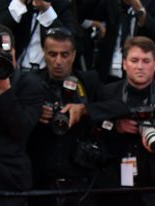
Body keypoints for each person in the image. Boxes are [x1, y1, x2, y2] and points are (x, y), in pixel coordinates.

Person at [86, 36, 155, 206]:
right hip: (114, 187)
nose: (140, 66)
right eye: (134, 60)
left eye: (146, 61)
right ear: (124, 63)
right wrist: (115, 127)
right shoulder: (107, 93)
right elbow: (92, 131)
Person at [26, 27, 100, 206]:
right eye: (52, 54)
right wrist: (34, 112)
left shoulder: (88, 81)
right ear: (43, 53)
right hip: (39, 182)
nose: (58, 61)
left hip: (80, 182)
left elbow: (116, 106)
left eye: (64, 55)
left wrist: (84, 109)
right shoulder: (30, 82)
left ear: (74, 55)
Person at [0, 23, 45, 206]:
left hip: (10, 179)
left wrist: (4, 89)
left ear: (15, 53)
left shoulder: (29, 84)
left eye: (5, 53)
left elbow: (21, 128)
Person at [0, 0, 76, 71]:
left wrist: (47, 11)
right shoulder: (8, 3)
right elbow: (0, 30)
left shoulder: (61, 5)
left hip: (48, 73)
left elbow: (70, 41)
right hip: (14, 70)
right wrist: (19, 3)